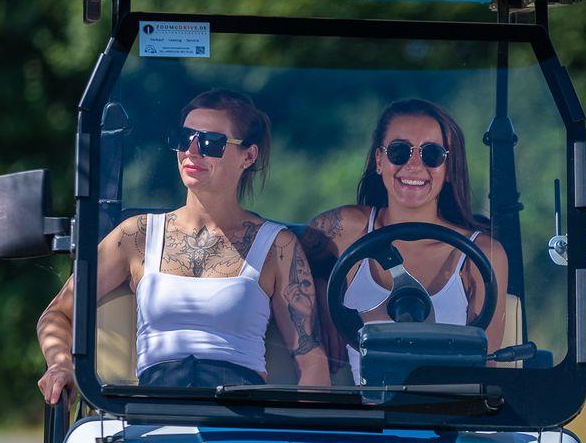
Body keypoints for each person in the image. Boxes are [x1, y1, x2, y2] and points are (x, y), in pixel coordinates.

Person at [37, 89, 329, 402]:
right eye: (183, 138)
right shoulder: (136, 235)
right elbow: (57, 314)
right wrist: (61, 364)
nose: (191, 150)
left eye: (211, 142)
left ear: (248, 156)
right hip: (155, 412)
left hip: (240, 414)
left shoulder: (277, 246)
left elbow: (312, 363)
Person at [300, 98, 508, 382]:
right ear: (379, 160)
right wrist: (321, 300)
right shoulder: (344, 230)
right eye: (399, 151)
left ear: (449, 168)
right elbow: (285, 255)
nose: (414, 165)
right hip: (362, 409)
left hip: (446, 407)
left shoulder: (481, 254)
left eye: (431, 154)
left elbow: (486, 365)